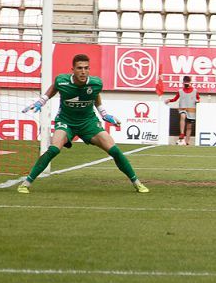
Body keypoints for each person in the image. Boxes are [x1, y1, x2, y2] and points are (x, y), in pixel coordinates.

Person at [19, 53, 148, 193]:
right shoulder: (62, 81)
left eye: (86, 68)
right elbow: (53, 88)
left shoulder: (96, 83)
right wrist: (41, 101)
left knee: (114, 150)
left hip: (88, 122)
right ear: (73, 69)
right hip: (66, 121)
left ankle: (136, 182)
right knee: (54, 149)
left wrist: (104, 114)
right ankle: (26, 183)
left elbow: (95, 95)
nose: (83, 71)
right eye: (79, 68)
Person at [164, 75, 200, 145]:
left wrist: (197, 101)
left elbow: (198, 99)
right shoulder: (180, 91)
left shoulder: (195, 91)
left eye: (187, 83)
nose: (186, 84)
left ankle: (187, 142)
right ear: (183, 83)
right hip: (183, 108)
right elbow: (175, 99)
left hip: (191, 110)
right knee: (183, 116)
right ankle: (182, 133)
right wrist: (169, 100)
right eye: (185, 83)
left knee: (189, 126)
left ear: (190, 83)